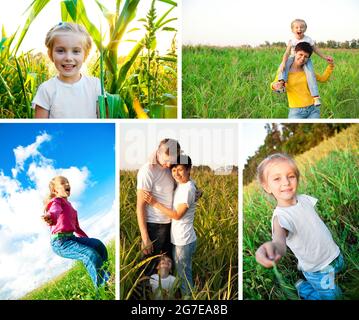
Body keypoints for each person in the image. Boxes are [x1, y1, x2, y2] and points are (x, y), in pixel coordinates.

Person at [255, 153, 344, 300]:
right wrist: (273, 248)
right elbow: (279, 240)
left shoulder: (305, 199)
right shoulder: (281, 218)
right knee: (334, 297)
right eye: (277, 179)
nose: (286, 182)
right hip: (318, 270)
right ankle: (305, 289)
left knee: (341, 269)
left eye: (290, 176)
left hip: (335, 254)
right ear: (267, 187)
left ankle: (307, 285)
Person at [42, 176, 110, 289]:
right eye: (63, 183)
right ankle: (103, 288)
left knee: (98, 245)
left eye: (68, 182)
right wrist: (50, 217)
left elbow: (77, 228)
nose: (67, 184)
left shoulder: (71, 208)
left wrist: (87, 241)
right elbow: (54, 212)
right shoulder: (56, 201)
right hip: (60, 243)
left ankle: (107, 276)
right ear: (55, 190)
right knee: (89, 255)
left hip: (72, 238)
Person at [144, 154, 197, 296]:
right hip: (180, 239)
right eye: (174, 170)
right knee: (181, 273)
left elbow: (177, 215)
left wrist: (155, 203)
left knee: (184, 276)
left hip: (184, 241)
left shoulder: (188, 189)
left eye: (180, 170)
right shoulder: (184, 184)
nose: (176, 174)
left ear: (188, 169)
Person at [33, 22, 101, 118]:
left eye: (76, 51)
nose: (68, 58)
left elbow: (104, 122)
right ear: (50, 55)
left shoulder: (96, 86)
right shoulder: (46, 89)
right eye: (60, 51)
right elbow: (40, 127)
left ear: (85, 55)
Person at [136, 138, 182, 276]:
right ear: (158, 152)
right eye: (166, 160)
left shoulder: (171, 167)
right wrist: (145, 238)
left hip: (171, 224)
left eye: (172, 160)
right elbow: (140, 207)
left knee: (167, 265)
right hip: (154, 226)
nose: (169, 164)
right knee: (149, 266)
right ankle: (142, 294)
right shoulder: (147, 171)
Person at [276, 19, 334, 107]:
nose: (299, 29)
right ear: (292, 30)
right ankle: (281, 83)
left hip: (306, 60)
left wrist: (325, 57)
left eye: (302, 27)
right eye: (297, 27)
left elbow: (316, 50)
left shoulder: (308, 39)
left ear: (305, 29)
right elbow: (287, 53)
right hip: (292, 57)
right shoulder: (292, 40)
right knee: (283, 67)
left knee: (310, 74)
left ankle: (315, 97)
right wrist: (283, 62)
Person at [272, 42, 334, 119]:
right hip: (296, 112)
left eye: (306, 56)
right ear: (295, 53)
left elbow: (323, 79)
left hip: (313, 109)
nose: (302, 58)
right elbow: (274, 84)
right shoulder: (284, 71)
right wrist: (274, 86)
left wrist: (330, 66)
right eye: (300, 54)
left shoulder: (308, 72)